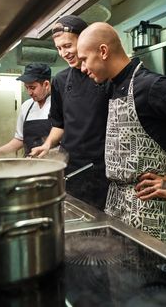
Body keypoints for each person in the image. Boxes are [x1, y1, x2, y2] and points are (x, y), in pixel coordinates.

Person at [77, 21, 166, 246]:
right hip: (116, 204)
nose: (82, 68)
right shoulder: (112, 87)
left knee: (150, 278)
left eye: (83, 59)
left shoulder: (153, 86)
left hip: (148, 207)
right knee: (120, 277)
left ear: (103, 51)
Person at [31, 15, 111, 211]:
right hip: (72, 170)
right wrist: (47, 145)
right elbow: (60, 123)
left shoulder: (105, 75)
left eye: (67, 46)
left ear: (84, 40)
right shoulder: (60, 80)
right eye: (59, 48)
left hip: (104, 171)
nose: (63, 53)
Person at [0, 63, 52, 158]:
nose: (29, 92)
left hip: (53, 163)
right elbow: (19, 140)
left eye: (32, 88)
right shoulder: (26, 106)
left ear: (46, 84)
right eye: (26, 87)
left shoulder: (59, 105)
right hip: (30, 164)